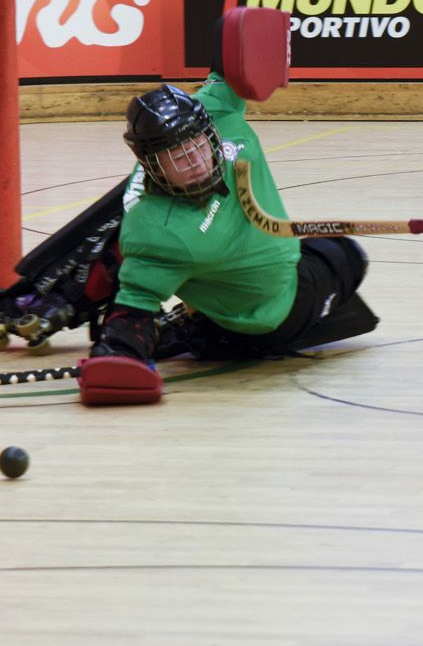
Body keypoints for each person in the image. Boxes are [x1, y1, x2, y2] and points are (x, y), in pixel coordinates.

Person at [78, 76, 379, 404]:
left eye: (196, 144)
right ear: (152, 164)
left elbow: (232, 67)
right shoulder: (157, 228)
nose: (194, 160)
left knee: (334, 248)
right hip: (269, 320)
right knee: (346, 255)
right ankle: (202, 332)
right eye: (176, 156)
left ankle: (196, 325)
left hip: (276, 277)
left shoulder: (223, 115)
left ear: (209, 130)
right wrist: (119, 354)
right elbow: (132, 308)